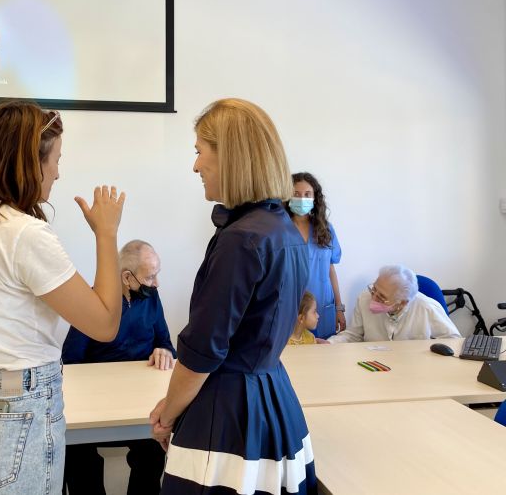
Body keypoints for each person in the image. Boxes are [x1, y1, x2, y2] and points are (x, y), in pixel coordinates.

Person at [0, 101, 125, 495]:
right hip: (11, 418)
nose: (58, 172)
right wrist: (107, 234)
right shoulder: (21, 233)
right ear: (31, 162)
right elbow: (104, 325)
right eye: (56, 159)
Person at [150, 98, 317, 495]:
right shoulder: (284, 231)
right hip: (274, 398)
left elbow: (203, 352)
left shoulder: (240, 239)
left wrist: (167, 413)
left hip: (227, 413)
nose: (195, 166)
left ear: (232, 156)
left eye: (199, 152)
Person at [62, 239, 175, 495]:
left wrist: (165, 351)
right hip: (96, 404)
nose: (157, 284)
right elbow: (70, 360)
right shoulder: (93, 301)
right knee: (76, 452)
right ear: (127, 277)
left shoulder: (151, 298)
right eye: (151, 277)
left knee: (153, 448)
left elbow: (165, 342)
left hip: (140, 400)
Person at [328, 265, 461, 343]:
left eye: (381, 297)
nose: (373, 298)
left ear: (402, 303)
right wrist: (330, 343)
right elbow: (353, 335)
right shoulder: (364, 298)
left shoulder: (426, 308)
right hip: (375, 368)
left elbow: (454, 341)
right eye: (374, 289)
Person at [287, 172, 344, 339]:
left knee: (323, 356)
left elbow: (330, 269)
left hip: (323, 307)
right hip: (293, 306)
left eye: (307, 194)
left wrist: (339, 308)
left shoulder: (325, 229)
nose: (302, 199)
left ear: (315, 198)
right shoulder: (280, 229)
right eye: (296, 194)